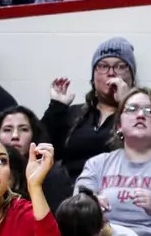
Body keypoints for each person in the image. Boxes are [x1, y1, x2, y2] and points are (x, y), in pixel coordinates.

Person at [75, 86, 151, 236]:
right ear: (119, 126)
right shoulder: (98, 163)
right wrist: (91, 204)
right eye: (131, 109)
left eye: (150, 111)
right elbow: (75, 207)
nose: (141, 115)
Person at [45, 38, 136, 180]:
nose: (111, 73)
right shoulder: (74, 114)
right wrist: (56, 108)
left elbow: (144, 150)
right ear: (93, 77)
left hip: (116, 189)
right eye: (103, 66)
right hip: (69, 193)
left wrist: (126, 104)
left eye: (120, 66)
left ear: (131, 77)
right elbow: (38, 148)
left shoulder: (142, 114)